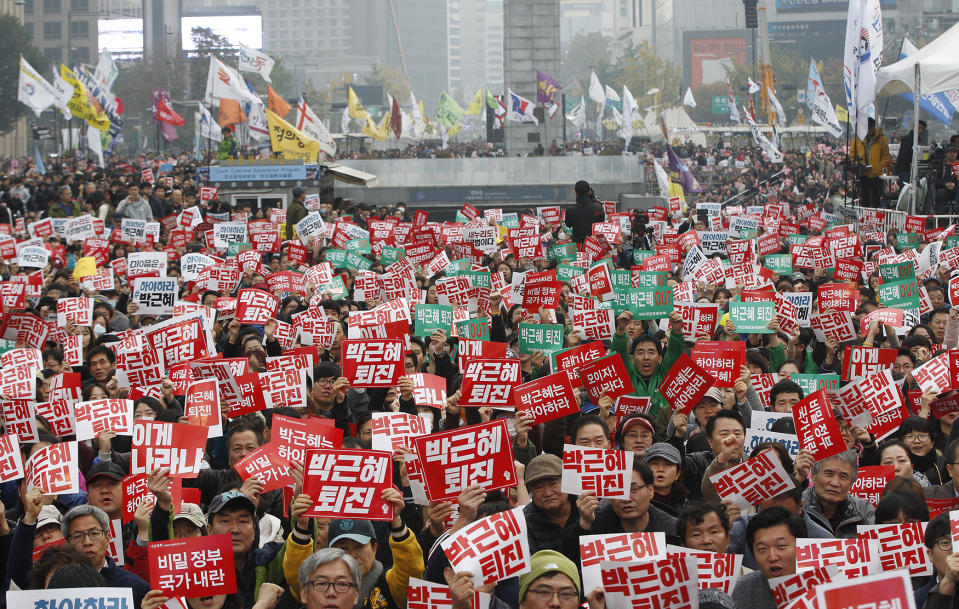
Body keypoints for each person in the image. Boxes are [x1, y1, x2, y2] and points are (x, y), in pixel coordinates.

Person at [731, 507, 807, 609]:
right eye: (762, 549)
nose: (772, 557)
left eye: (781, 546)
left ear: (802, 546)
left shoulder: (826, 584)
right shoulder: (738, 591)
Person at [803, 450, 875, 537]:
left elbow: (876, 545)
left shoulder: (863, 510)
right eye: (829, 474)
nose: (835, 483)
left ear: (851, 483)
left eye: (843, 477)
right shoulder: (799, 505)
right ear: (814, 475)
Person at [523, 454, 579, 554]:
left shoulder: (586, 509)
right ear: (530, 490)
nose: (548, 493)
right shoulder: (524, 524)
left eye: (553, 484)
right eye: (539, 487)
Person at [850, 117, 890, 207]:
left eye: (869, 129)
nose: (867, 131)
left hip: (875, 173)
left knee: (875, 198)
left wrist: (880, 165)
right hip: (862, 172)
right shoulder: (858, 138)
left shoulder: (881, 138)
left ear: (872, 128)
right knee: (864, 198)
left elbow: (886, 155)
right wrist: (856, 163)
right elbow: (852, 153)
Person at [894, 119, 927, 185]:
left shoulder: (918, 141)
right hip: (905, 171)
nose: (920, 131)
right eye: (919, 128)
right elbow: (905, 156)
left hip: (911, 170)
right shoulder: (907, 140)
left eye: (923, 129)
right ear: (913, 127)